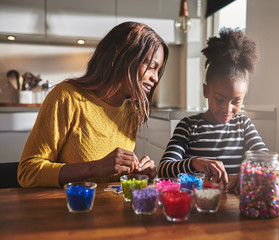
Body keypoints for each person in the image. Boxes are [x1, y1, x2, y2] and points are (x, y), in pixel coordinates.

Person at [17, 21, 169, 187]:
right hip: (70, 208)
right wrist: (94, 168)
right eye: (151, 66)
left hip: (110, 210)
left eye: (158, 70)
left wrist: (135, 174)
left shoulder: (130, 111)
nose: (155, 78)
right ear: (121, 57)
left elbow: (110, 181)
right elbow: (27, 172)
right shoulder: (67, 97)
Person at [157, 28, 267, 193]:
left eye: (236, 101)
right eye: (220, 99)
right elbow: (163, 169)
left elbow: (265, 161)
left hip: (233, 209)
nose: (227, 109)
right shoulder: (188, 126)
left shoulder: (244, 125)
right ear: (206, 91)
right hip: (197, 208)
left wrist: (245, 174)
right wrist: (195, 163)